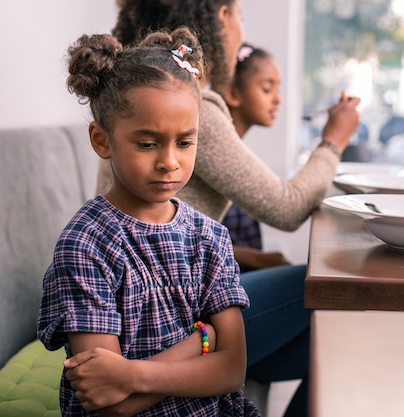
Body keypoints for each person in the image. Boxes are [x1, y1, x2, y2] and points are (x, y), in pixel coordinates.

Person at [89, 1, 361, 415]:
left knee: (331, 343)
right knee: (336, 291)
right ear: (221, 16)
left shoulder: (139, 100)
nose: (169, 158)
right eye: (240, 15)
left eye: (185, 143)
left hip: (172, 303)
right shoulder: (190, 104)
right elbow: (287, 208)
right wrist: (333, 141)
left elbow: (165, 233)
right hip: (165, 317)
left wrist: (247, 257)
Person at [37, 27, 259, 417]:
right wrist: (200, 342)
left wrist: (131, 375)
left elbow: (231, 370)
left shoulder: (210, 237)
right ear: (102, 140)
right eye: (147, 143)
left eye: (185, 142)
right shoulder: (86, 244)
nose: (169, 161)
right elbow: (108, 405)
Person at [220, 42, 290, 272]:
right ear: (233, 93)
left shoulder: (237, 152)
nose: (278, 99)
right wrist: (258, 259)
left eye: (277, 90)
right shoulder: (215, 155)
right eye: (267, 89)